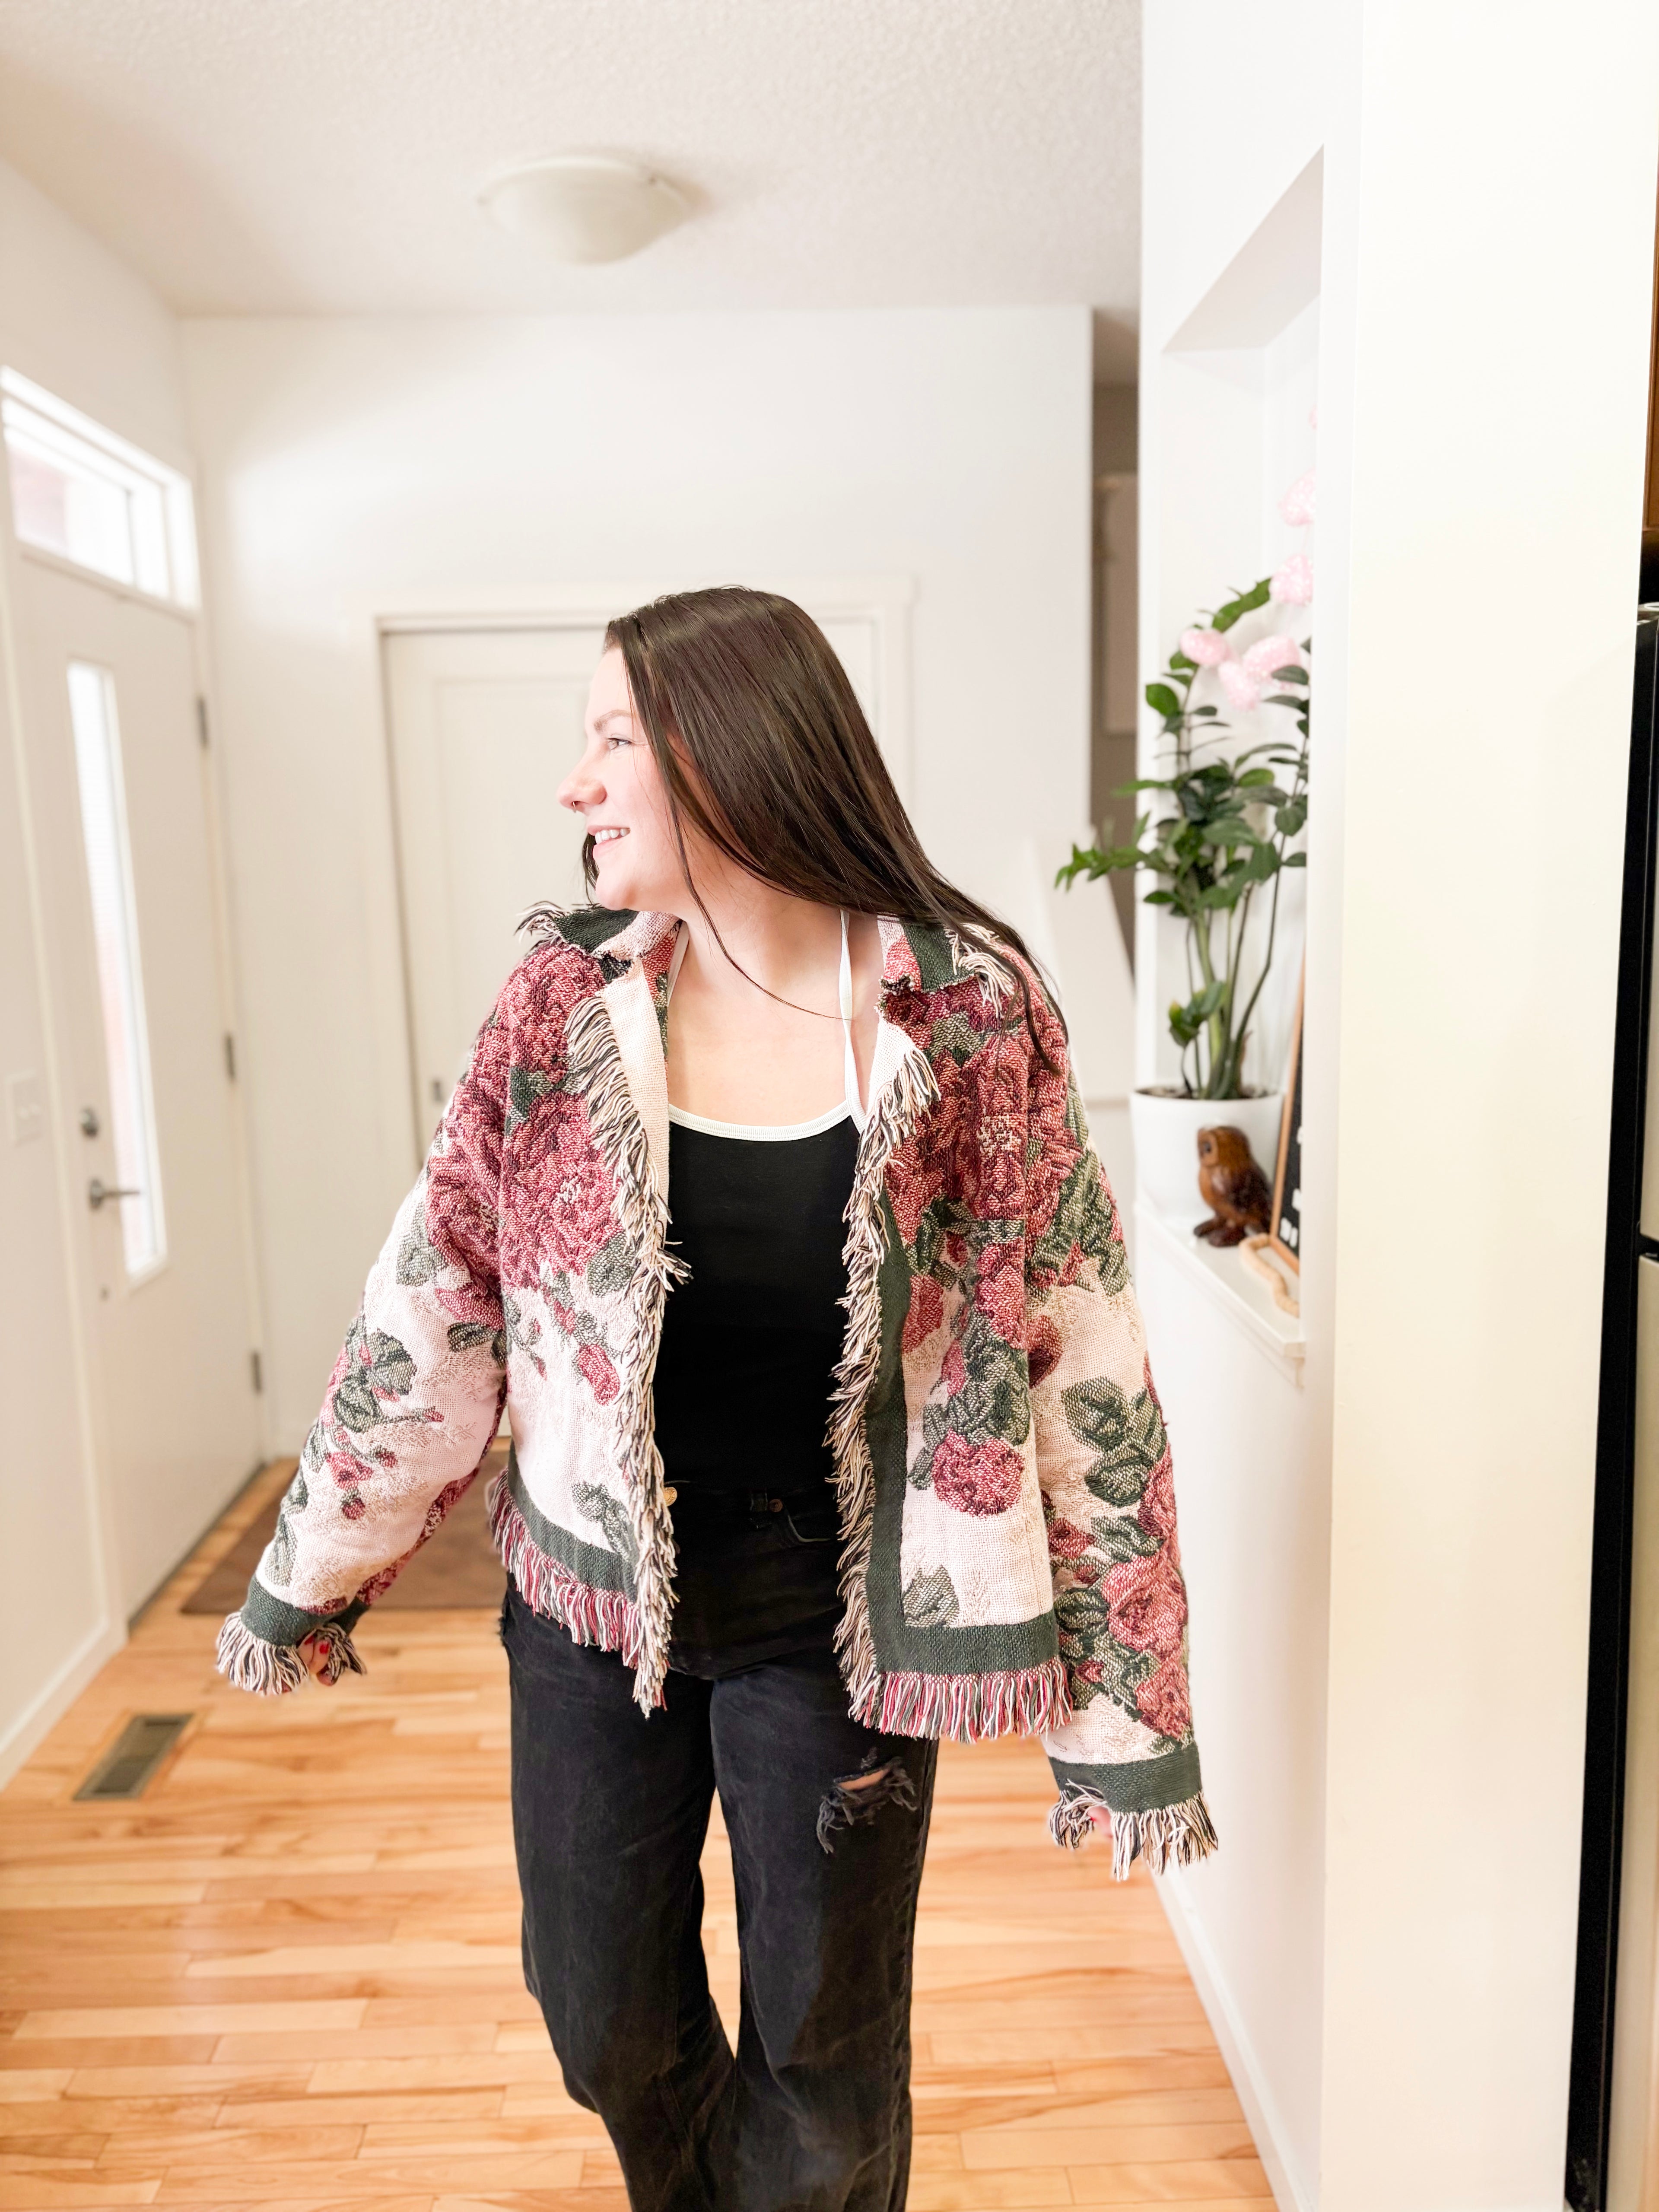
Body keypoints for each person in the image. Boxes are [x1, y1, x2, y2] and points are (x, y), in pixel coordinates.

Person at [217, 585, 1215, 2212]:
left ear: (728, 755)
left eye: (612, 738)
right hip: (597, 1597)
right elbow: (442, 1275)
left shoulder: (965, 1012)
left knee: (824, 2055)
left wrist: (1134, 1714)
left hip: (844, 1612)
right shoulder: (564, 1004)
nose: (577, 782)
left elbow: (1076, 1338)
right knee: (597, 2012)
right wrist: (317, 1558)